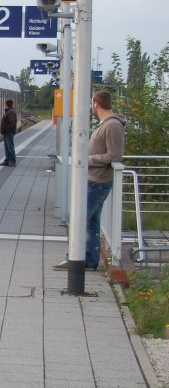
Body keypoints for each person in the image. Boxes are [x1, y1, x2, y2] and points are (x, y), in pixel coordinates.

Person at [54, 90, 126, 271]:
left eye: (91, 104)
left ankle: (75, 259)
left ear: (95, 104)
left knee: (77, 220)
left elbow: (115, 155)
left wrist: (88, 160)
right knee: (91, 222)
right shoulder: (106, 124)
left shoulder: (112, 126)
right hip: (95, 179)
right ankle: (90, 261)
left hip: (98, 181)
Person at [0, 99, 17, 166]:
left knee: (10, 147)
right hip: (6, 132)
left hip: (9, 132)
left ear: (7, 104)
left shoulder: (10, 112)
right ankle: (7, 160)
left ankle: (12, 161)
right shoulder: (9, 111)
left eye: (5, 103)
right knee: (7, 147)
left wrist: (6, 130)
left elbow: (11, 123)